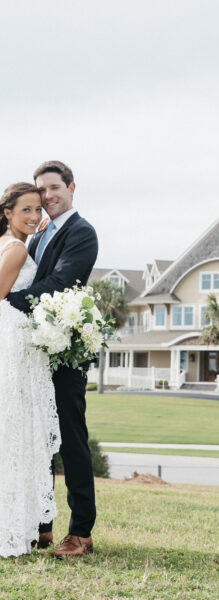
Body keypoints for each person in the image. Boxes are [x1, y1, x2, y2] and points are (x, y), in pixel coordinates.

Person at [7, 161, 99, 558]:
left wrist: (5, 303)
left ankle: (81, 532)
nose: (47, 197)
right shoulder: (38, 234)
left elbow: (60, 284)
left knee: (71, 438)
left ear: (71, 187)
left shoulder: (81, 233)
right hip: (33, 352)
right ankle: (40, 525)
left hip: (65, 354)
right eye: (41, 190)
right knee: (38, 435)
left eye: (54, 187)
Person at [0, 182, 61, 557]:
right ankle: (11, 525)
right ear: (7, 212)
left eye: (37, 210)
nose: (35, 216)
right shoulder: (17, 248)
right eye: (26, 209)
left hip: (16, 343)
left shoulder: (10, 243)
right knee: (17, 430)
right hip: (15, 345)